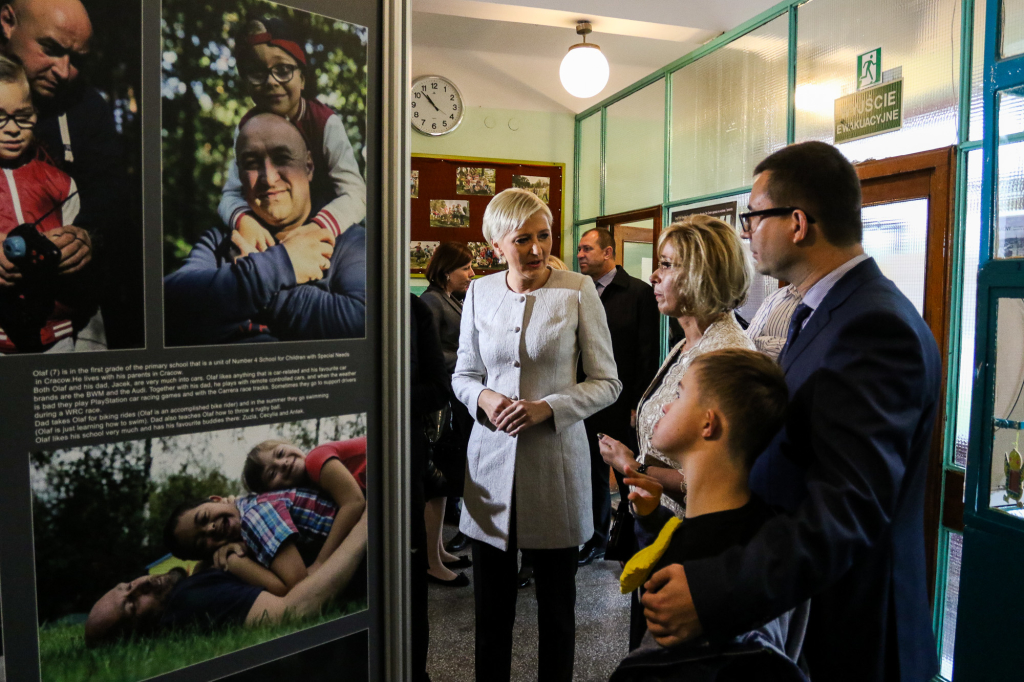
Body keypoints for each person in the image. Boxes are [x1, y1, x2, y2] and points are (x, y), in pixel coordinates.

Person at [641, 141, 941, 681]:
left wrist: (717, 590)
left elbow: (847, 508)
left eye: (754, 216)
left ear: (797, 223)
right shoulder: (822, 312)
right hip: (809, 608)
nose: (747, 232)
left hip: (852, 629)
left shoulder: (874, 326)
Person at [453, 187, 620, 681]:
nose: (536, 249)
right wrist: (485, 398)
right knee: (491, 614)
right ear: (496, 245)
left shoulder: (577, 290)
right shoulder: (480, 292)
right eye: (522, 239)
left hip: (556, 467)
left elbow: (607, 381)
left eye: (543, 236)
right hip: (490, 468)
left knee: (557, 612)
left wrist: (549, 407)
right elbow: (464, 374)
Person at [597, 215, 753, 648]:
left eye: (666, 265)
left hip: (697, 550)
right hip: (661, 532)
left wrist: (634, 467)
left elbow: (726, 481)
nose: (654, 276)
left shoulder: (725, 355)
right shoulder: (688, 342)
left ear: (703, 274)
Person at [613, 349, 805, 681]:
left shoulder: (721, 569)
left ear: (708, 423)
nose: (666, 406)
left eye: (679, 395)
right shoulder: (770, 536)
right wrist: (653, 520)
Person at [1, 0, 139, 348]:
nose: (63, 71)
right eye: (50, 49)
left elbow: (113, 195)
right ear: (7, 21)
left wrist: (88, 235)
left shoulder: (87, 108)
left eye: (76, 59)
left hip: (69, 326)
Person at [163, 112, 365, 345]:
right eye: (251, 163)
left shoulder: (351, 242)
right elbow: (168, 307)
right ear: (239, 175)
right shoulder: (222, 240)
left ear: (309, 166)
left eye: (282, 158)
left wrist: (256, 284)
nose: (268, 178)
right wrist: (280, 265)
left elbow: (362, 323)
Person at [84, 509, 367, 647]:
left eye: (128, 586)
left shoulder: (194, 583)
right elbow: (292, 611)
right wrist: (367, 524)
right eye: (133, 604)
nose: (142, 584)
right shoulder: (188, 601)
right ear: (136, 638)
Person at [220, 16, 365, 251]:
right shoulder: (247, 128)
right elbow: (230, 194)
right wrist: (244, 220)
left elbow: (356, 193)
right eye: (257, 72)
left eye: (283, 70)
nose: (271, 81)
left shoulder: (324, 122)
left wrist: (318, 227)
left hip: (327, 232)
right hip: (267, 235)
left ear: (302, 79)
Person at [0, 52, 99, 353]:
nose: (13, 128)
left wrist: (76, 248)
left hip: (56, 338)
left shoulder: (60, 183)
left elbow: (84, 267)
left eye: (23, 116)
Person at [575, 227, 659, 567]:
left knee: (626, 473)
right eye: (579, 249)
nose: (580, 255)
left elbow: (647, 352)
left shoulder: (638, 293)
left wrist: (638, 403)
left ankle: (634, 539)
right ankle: (596, 539)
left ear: (608, 252)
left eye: (587, 249)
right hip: (585, 396)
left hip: (622, 401)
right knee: (592, 471)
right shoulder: (580, 290)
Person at [163, 487, 339, 597]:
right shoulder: (245, 510)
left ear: (216, 499)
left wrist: (236, 562)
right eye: (202, 543)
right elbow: (199, 571)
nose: (210, 529)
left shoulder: (253, 516)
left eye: (204, 517)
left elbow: (298, 587)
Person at [419, 241, 475, 584]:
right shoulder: (431, 301)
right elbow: (430, 354)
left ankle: (437, 550)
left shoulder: (450, 298)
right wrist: (470, 358)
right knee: (437, 482)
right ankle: (431, 561)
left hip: (450, 397)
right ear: (446, 271)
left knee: (442, 484)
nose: (471, 273)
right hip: (438, 402)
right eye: (465, 268)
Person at [240, 437, 367, 576]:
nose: (283, 463)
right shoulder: (310, 490)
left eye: (280, 453)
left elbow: (354, 503)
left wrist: (320, 562)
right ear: (273, 493)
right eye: (272, 473)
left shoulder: (315, 459)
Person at [410, 291, 453, 681]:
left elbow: (439, 387)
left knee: (409, 586)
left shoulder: (413, 309)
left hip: (404, 457)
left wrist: (382, 397)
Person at [745, 282, 802, 360]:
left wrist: (760, 342)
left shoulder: (819, 303)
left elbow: (802, 349)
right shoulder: (774, 296)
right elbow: (748, 341)